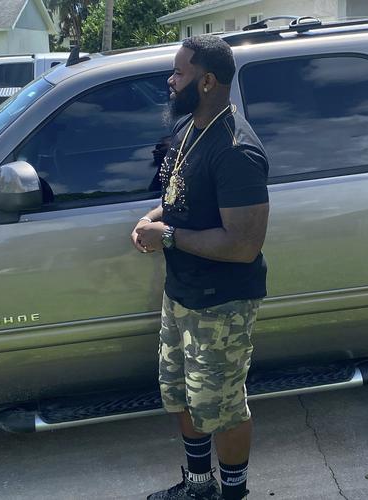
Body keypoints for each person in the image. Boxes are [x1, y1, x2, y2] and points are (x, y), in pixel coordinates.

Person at [131, 34, 269, 500]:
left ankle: (233, 494)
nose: (170, 81)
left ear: (207, 81)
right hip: (182, 293)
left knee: (223, 408)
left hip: (221, 305)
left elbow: (243, 245)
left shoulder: (236, 150)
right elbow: (179, 198)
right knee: (181, 395)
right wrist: (151, 219)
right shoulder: (190, 129)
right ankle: (198, 488)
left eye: (179, 72)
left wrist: (167, 235)